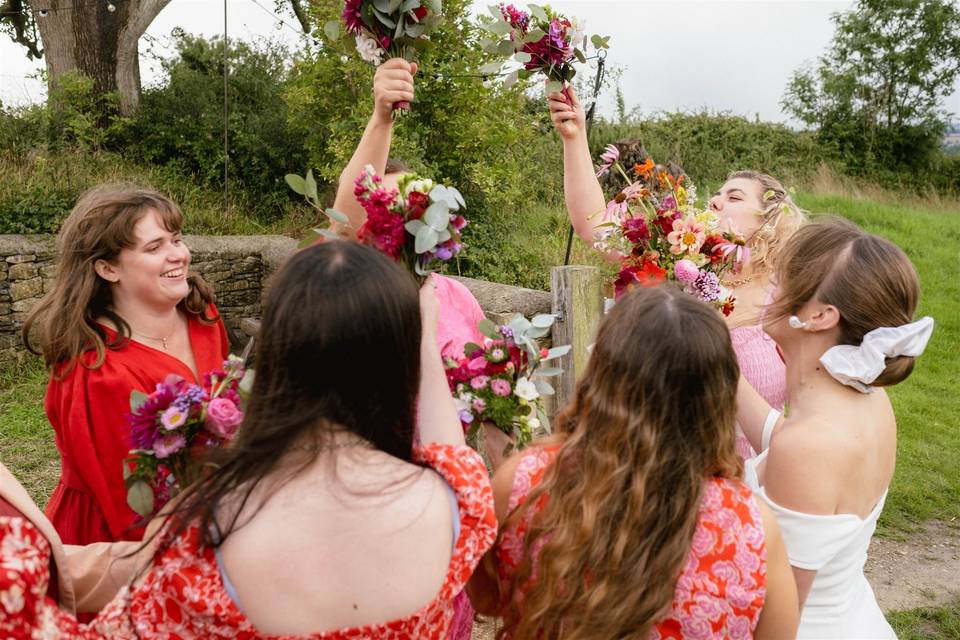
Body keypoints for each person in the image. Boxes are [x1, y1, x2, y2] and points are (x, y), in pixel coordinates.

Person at [1, 242, 497, 639]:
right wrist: (425, 349)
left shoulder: (205, 528)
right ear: (399, 359)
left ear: (279, 354)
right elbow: (447, 448)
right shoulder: (460, 500)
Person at [468, 285, 799, 639]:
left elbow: (485, 600)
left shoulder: (523, 481)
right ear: (718, 396)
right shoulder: (752, 525)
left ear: (600, 374)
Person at [547, 87, 806, 458]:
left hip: (750, 478)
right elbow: (596, 227)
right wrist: (575, 137)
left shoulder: (788, 293)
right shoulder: (673, 256)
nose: (715, 200)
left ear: (770, 219)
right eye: (717, 194)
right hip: (661, 468)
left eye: (734, 197)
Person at [736, 218, 932, 638]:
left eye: (783, 276)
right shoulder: (868, 399)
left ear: (820, 315)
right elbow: (788, 449)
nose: (770, 283)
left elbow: (775, 617)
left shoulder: (810, 447)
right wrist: (721, 362)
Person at [22, 185, 229, 545]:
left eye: (176, 240)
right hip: (120, 543)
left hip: (208, 511)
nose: (177, 255)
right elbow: (130, 508)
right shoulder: (97, 372)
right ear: (107, 268)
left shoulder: (203, 317)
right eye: (154, 247)